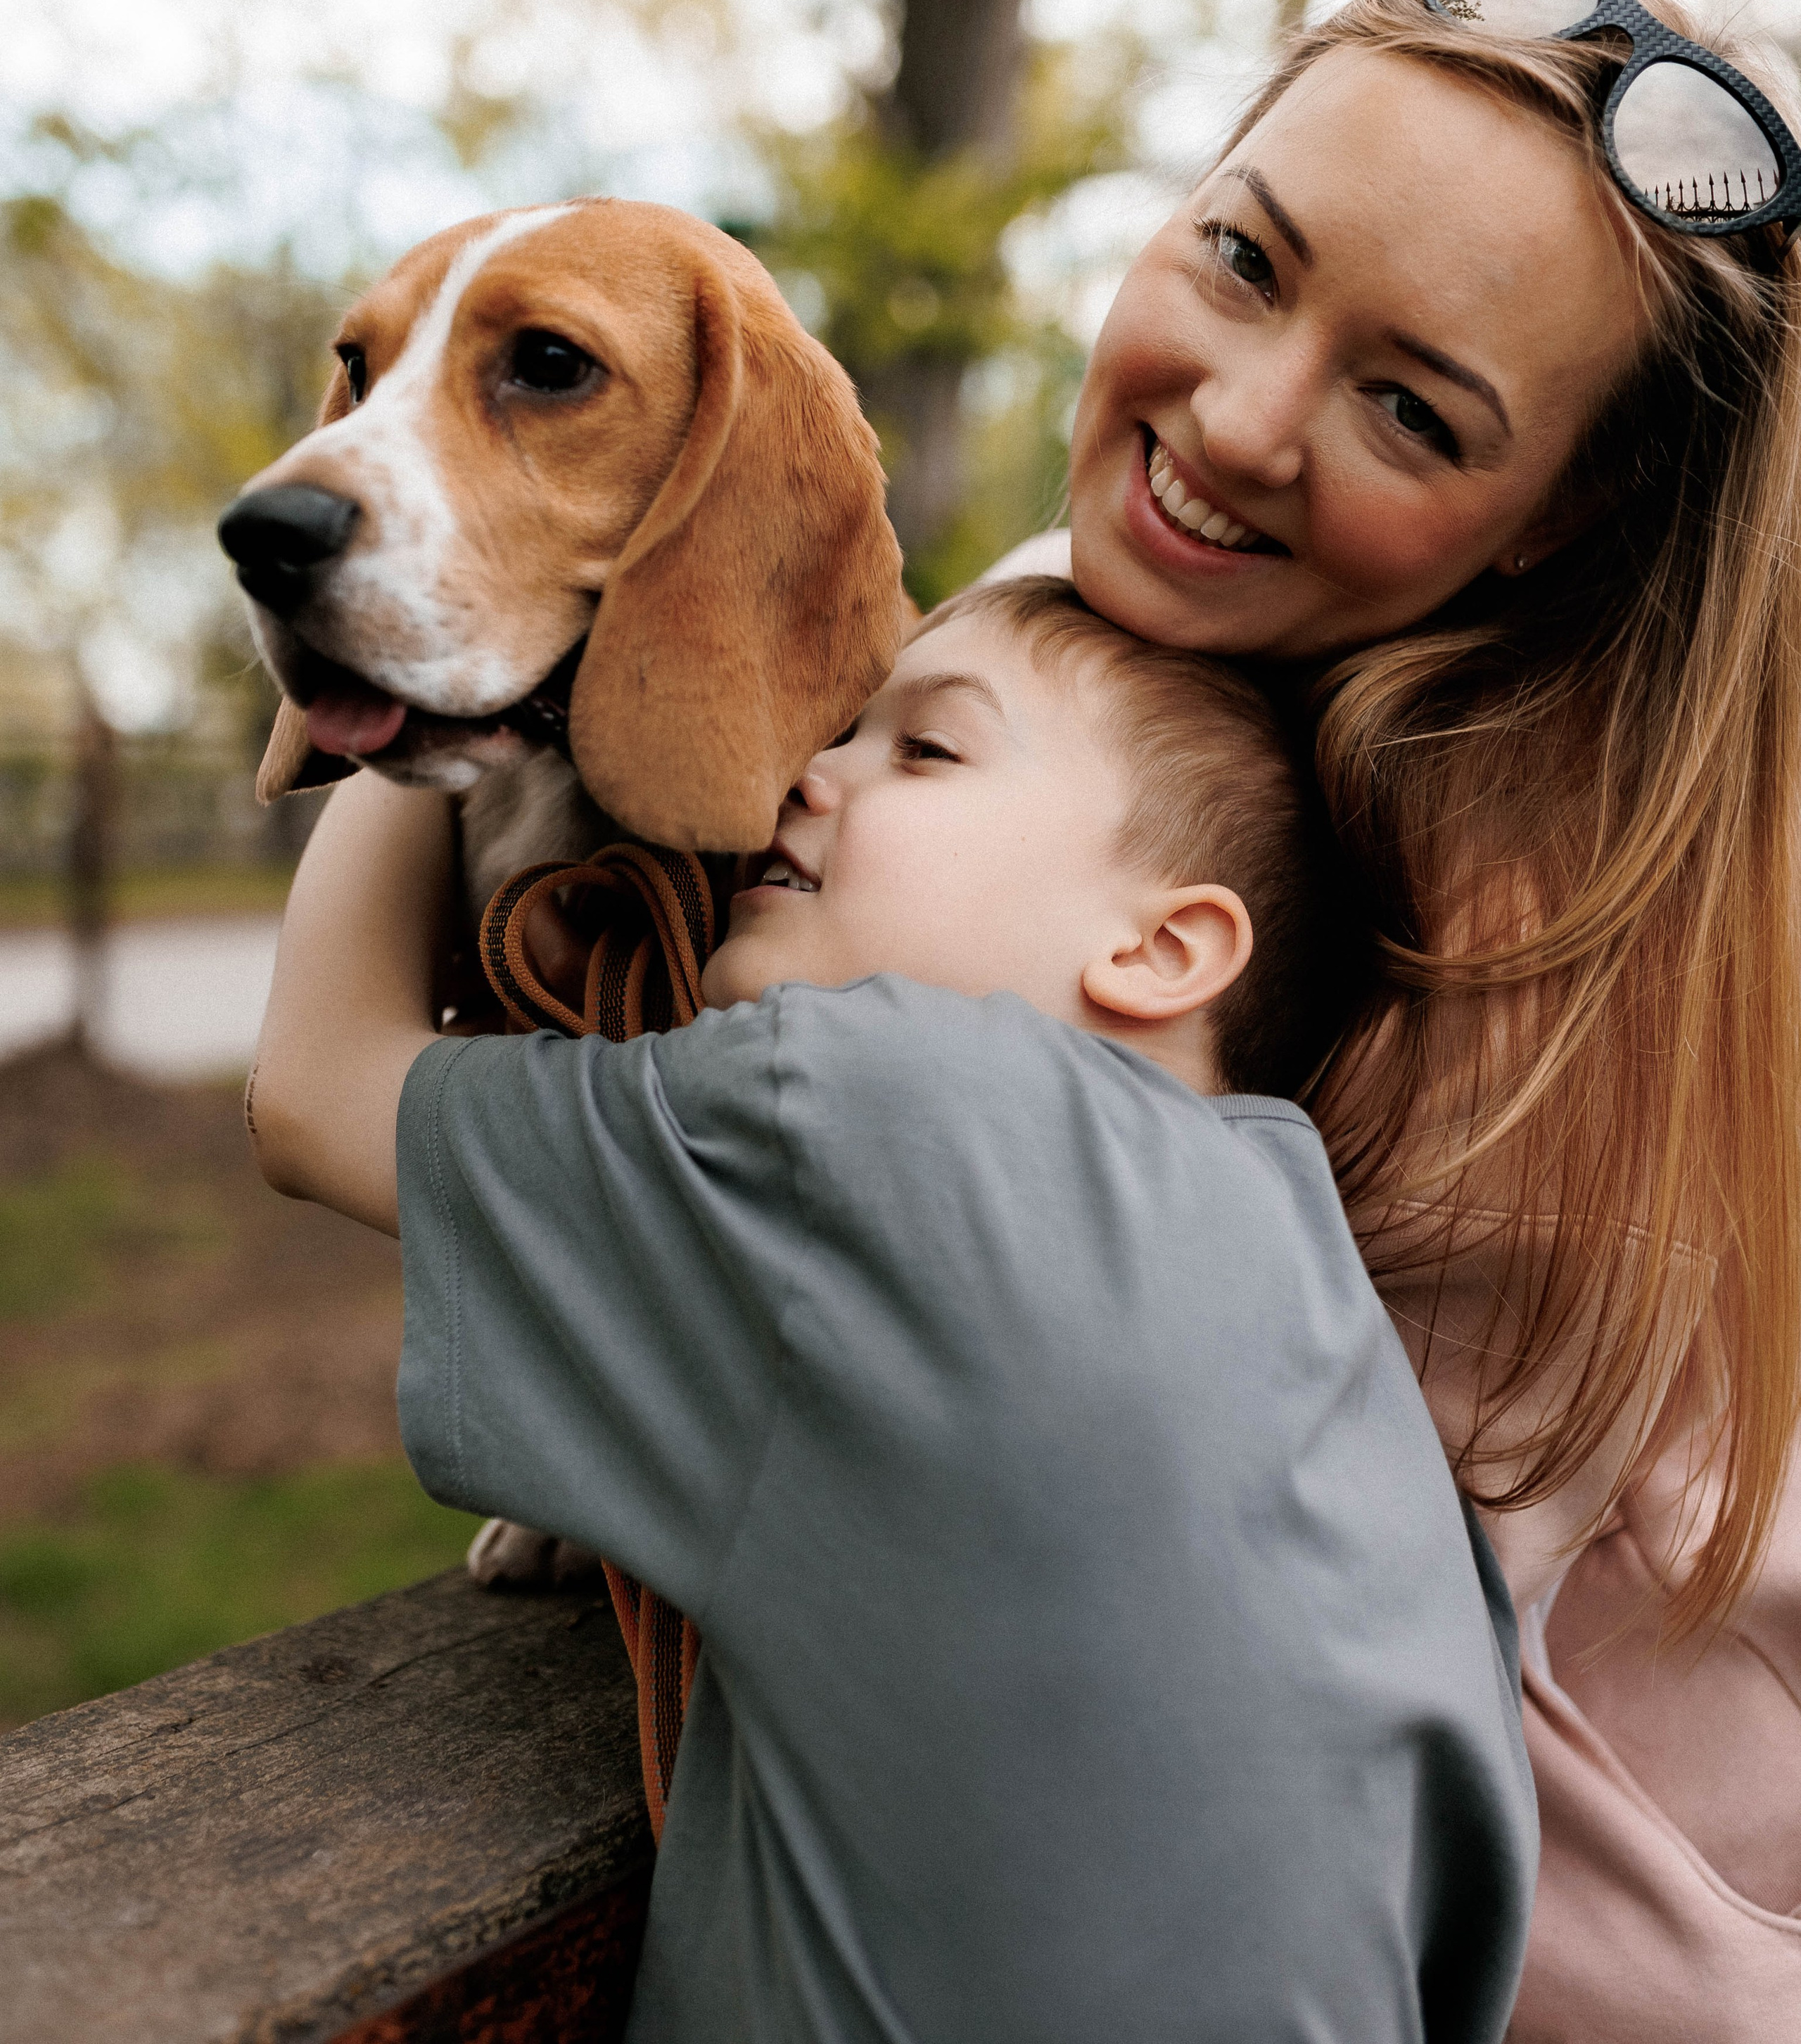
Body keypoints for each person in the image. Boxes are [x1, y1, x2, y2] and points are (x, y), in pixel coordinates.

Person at [248, 576, 1536, 2044]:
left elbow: (312, 1091)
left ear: (1162, 948)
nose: (798, 770)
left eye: (924, 751)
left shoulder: (880, 1109)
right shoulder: (1337, 1331)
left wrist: (418, 694)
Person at [1001, 0, 1801, 2037]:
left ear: (1548, 520)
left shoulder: (1443, 932)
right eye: (1244, 255)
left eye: (1417, 412)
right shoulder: (1250, 718)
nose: (1247, 418)